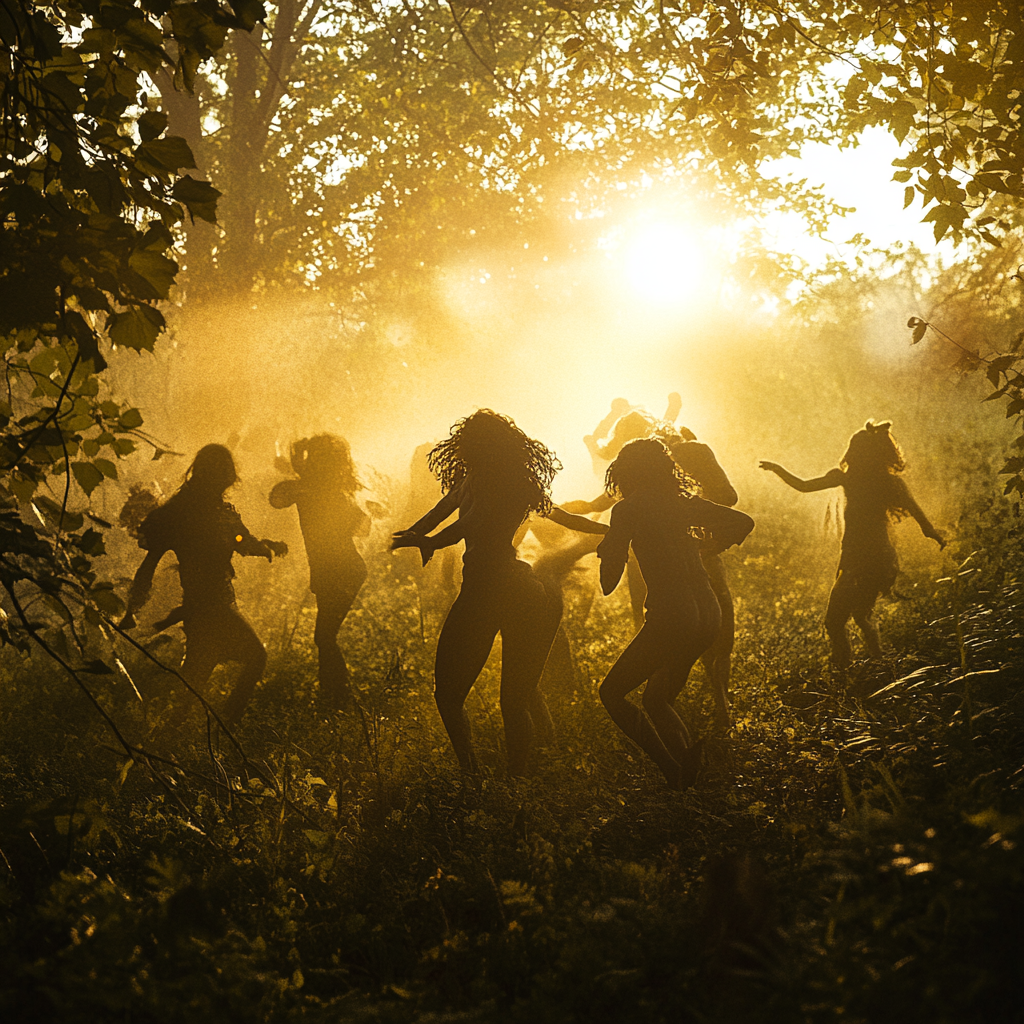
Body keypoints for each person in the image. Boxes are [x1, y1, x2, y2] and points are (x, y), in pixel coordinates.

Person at [391, 410, 606, 776]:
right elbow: (438, 513)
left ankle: (515, 776)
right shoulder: (472, 481)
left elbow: (467, 524)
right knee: (457, 694)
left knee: (512, 700)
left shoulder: (512, 486)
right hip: (493, 590)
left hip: (504, 590)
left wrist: (430, 541)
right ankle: (480, 772)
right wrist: (412, 534)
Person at [597, 438, 754, 788]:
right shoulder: (683, 502)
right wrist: (708, 547)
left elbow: (608, 584)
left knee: (611, 694)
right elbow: (742, 522)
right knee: (656, 699)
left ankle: (673, 768)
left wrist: (609, 549)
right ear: (666, 469)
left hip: (672, 617)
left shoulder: (626, 510)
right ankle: (688, 766)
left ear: (624, 472)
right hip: (708, 614)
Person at [568, 416, 741, 727]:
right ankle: (675, 708)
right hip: (679, 563)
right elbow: (600, 502)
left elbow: (729, 500)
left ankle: (712, 705)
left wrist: (697, 530)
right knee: (678, 632)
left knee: (692, 633)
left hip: (693, 561)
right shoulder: (654, 482)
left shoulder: (690, 457)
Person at [119, 444, 288, 728]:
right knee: (257, 656)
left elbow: (241, 542)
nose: (226, 479)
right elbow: (150, 563)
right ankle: (228, 724)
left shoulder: (217, 514)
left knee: (193, 684)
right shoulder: (183, 516)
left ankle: (172, 734)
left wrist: (266, 546)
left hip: (209, 604)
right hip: (208, 606)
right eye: (222, 474)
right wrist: (132, 608)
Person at [760, 420, 946, 669]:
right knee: (860, 615)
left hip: (860, 561)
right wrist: (938, 537)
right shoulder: (886, 483)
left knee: (834, 622)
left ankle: (847, 669)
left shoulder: (849, 480)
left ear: (856, 454)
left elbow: (804, 486)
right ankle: (878, 663)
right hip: (879, 559)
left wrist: (777, 469)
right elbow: (925, 524)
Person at [269, 434, 376, 710]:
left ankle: (338, 698)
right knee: (324, 636)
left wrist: (299, 463)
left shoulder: (314, 491)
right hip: (337, 569)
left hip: (340, 570)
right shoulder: (321, 490)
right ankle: (332, 696)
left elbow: (276, 498)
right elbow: (276, 499)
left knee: (324, 636)